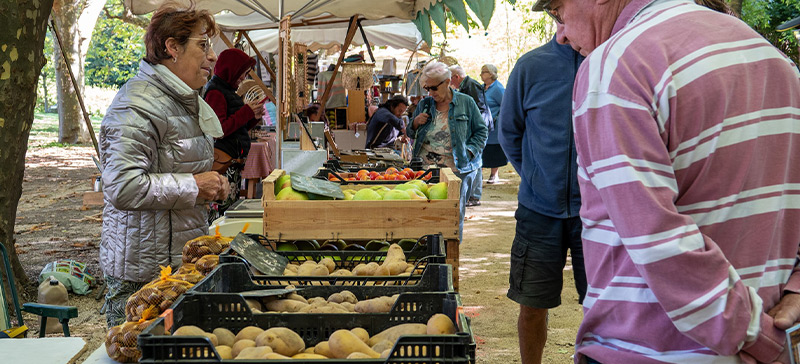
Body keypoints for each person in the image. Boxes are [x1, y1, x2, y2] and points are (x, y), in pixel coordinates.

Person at [532, 0, 800, 362]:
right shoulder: (771, 58)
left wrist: (756, 336)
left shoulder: (615, 65)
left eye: (556, 10)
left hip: (654, 351)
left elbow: (657, 237)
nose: (560, 34)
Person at [98, 3, 229, 327]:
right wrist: (194, 186)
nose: (212, 57)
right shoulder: (137, 103)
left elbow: (181, 169)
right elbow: (122, 187)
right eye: (203, 45)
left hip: (177, 268)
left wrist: (214, 186)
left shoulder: (184, 101)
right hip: (141, 278)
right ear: (172, 47)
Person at [498, 28, 586, 364]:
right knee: (532, 307)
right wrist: (535, 176)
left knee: (603, 306)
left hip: (595, 215)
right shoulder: (530, 66)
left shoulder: (610, 59)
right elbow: (509, 132)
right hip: (538, 212)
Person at [408, 61, 488, 240]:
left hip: (458, 169)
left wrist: (469, 151)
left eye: (434, 88)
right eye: (427, 88)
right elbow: (409, 131)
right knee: (425, 212)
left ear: (447, 81)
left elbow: (482, 131)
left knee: (453, 215)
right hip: (426, 170)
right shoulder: (425, 104)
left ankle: (450, 254)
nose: (431, 93)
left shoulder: (465, 102)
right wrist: (415, 122)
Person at [204, 48, 265, 223]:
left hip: (232, 163)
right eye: (242, 73)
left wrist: (253, 117)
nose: (243, 78)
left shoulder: (227, 90)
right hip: (224, 165)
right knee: (223, 214)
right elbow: (219, 129)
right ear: (232, 70)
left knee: (229, 209)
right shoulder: (215, 92)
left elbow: (237, 127)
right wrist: (246, 112)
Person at [449, 65, 489, 207]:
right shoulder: (467, 85)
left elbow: (479, 108)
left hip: (478, 127)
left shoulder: (471, 85)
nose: (450, 83)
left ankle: (474, 196)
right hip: (476, 126)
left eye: (450, 79)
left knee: (476, 162)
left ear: (456, 77)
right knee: (476, 163)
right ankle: (473, 195)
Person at [480, 64, 508, 184]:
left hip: (494, 126)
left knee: (493, 149)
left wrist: (498, 119)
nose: (481, 74)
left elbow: (506, 104)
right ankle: (478, 174)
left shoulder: (497, 88)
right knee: (481, 149)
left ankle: (494, 174)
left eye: (484, 72)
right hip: (482, 125)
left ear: (491, 74)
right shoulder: (481, 88)